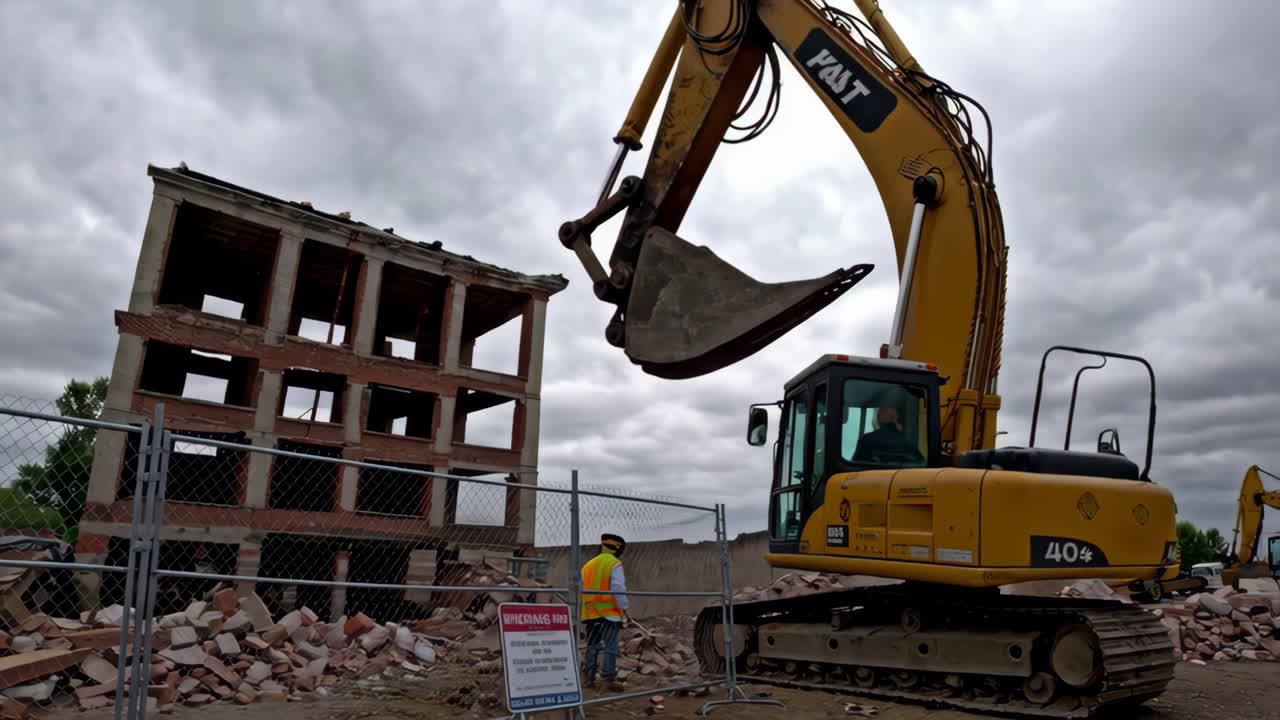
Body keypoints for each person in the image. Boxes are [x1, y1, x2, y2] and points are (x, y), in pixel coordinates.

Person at [580, 533, 630, 691]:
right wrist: (624, 609)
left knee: (592, 645)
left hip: (590, 613)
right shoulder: (614, 563)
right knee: (610, 646)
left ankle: (589, 678)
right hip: (608, 613)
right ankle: (608, 678)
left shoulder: (588, 565)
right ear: (617, 548)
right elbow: (618, 588)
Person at [853, 406, 923, 464]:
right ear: (896, 421)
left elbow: (854, 466)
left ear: (878, 419)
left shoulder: (866, 440)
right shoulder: (909, 446)